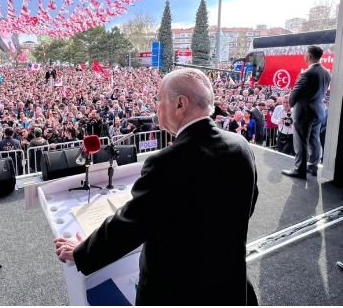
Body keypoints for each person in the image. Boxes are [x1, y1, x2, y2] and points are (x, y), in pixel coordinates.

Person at [54, 68, 259, 306]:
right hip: (229, 285)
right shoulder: (240, 145)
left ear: (180, 104)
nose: (157, 109)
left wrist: (82, 252)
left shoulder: (168, 161)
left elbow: (131, 225)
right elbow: (246, 204)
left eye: (160, 100)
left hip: (178, 292)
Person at [282, 46, 332, 179]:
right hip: (318, 111)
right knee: (314, 139)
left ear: (309, 56)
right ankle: (313, 166)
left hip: (304, 113)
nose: (304, 56)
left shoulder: (306, 73)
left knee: (301, 141)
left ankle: (300, 170)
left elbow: (294, 94)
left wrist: (290, 106)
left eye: (305, 54)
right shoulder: (326, 72)